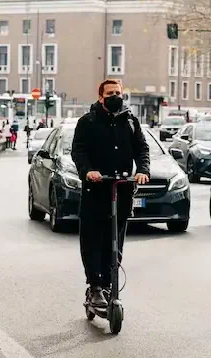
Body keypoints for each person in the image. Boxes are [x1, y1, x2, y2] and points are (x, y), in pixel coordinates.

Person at [71, 79, 150, 308]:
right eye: (110, 93)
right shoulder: (88, 122)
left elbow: (142, 149)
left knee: (115, 239)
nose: (115, 96)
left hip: (122, 190)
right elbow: (79, 151)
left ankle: (109, 282)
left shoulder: (131, 121)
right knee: (93, 239)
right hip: (96, 189)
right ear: (100, 97)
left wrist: (143, 171)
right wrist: (88, 171)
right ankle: (95, 285)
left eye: (118, 92)